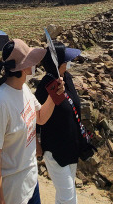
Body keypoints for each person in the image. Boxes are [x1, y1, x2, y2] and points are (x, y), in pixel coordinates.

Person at [0, 39, 64, 204]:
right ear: (24, 67)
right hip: (11, 192)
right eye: (31, 60)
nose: (35, 64)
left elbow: (40, 118)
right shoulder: (0, 103)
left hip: (30, 182)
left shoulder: (24, 89)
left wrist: (55, 95)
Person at [35, 41, 85, 204]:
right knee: (68, 197)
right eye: (66, 60)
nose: (69, 63)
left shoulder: (66, 79)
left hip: (71, 146)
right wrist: (37, 143)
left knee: (67, 194)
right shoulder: (45, 86)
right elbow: (36, 117)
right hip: (55, 150)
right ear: (58, 64)